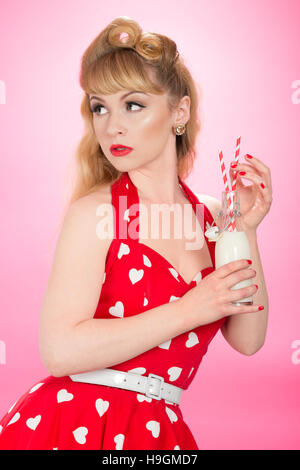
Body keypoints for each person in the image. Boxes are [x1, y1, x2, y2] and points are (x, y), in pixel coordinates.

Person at [0, 16, 271, 450]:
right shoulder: (97, 213)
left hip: (158, 432)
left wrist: (246, 231)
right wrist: (190, 309)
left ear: (179, 112)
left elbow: (248, 339)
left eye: (133, 104)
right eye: (99, 106)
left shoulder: (212, 217)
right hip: (74, 423)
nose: (110, 126)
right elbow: (60, 350)